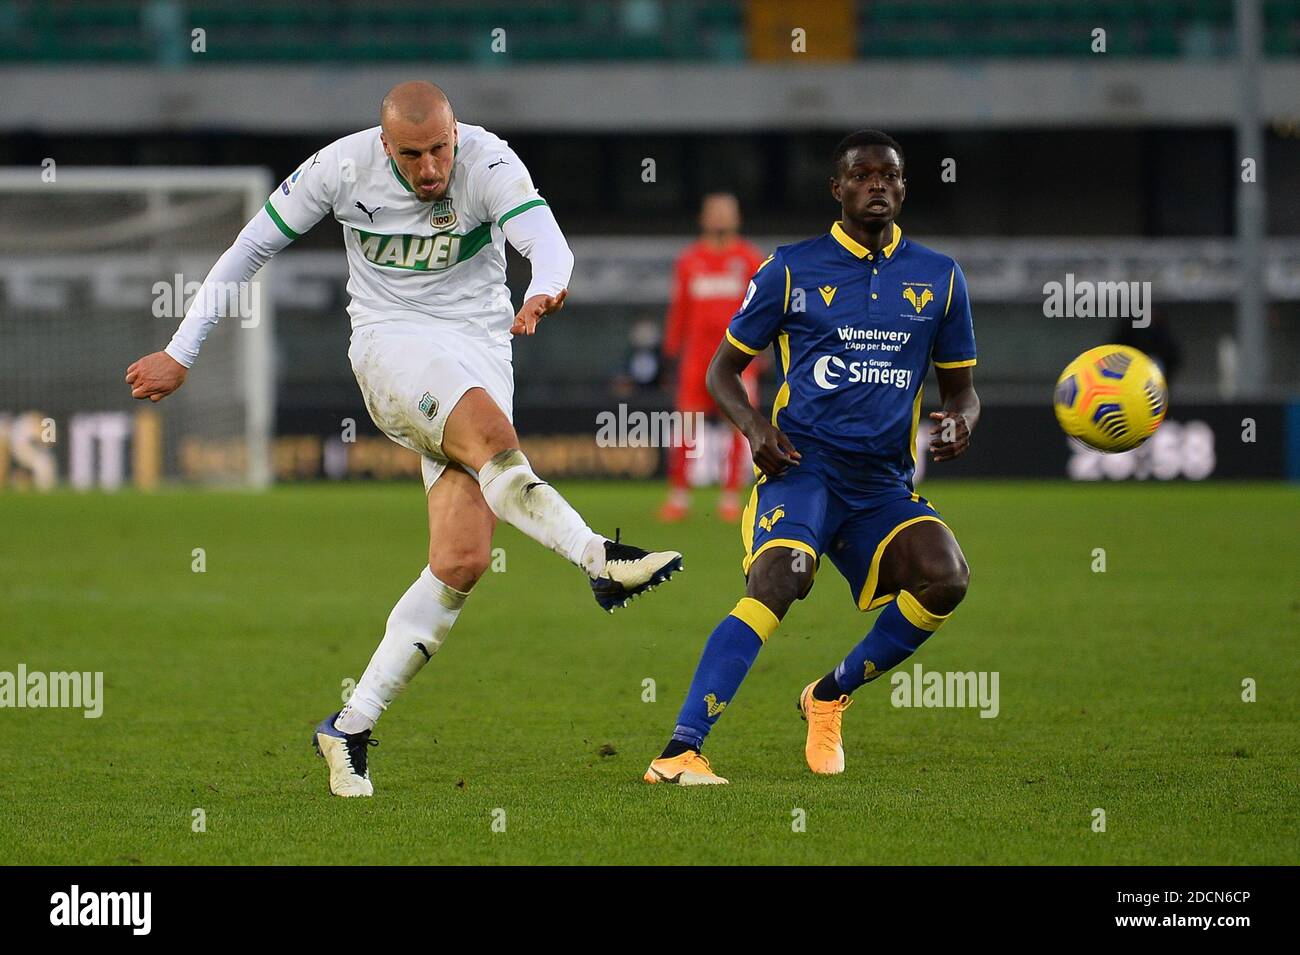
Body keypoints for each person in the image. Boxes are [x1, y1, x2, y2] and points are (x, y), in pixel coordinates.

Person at [125, 81, 682, 798]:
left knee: (462, 559)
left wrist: (546, 282)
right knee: (491, 436)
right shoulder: (341, 168)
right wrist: (182, 350)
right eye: (412, 154)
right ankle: (597, 557)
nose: (429, 168)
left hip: (479, 352)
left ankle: (348, 728)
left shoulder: (487, 161)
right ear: (385, 145)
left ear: (456, 135)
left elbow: (545, 237)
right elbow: (251, 246)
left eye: (440, 149)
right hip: (391, 351)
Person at [643, 130, 979, 785]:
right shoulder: (790, 269)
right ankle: (681, 749)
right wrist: (753, 426)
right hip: (803, 469)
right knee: (782, 577)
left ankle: (828, 694)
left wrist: (959, 423)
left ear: (905, 188)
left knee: (947, 575)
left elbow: (962, 392)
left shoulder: (940, 278)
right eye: (862, 175)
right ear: (838, 189)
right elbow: (720, 371)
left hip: (882, 482)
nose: (877, 185)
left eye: (890, 176)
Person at [658, 193, 765, 523]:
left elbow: (761, 311)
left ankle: (731, 497)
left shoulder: (750, 259)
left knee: (738, 426)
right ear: (703, 218)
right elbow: (680, 310)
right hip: (696, 359)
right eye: (714, 213)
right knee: (686, 427)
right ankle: (679, 497)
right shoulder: (689, 261)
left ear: (737, 218)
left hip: (737, 358)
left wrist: (761, 354)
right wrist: (670, 354)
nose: (719, 219)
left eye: (726, 213)